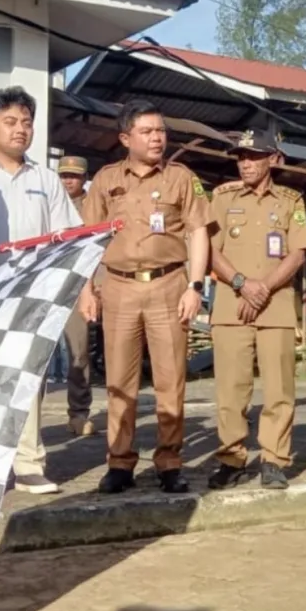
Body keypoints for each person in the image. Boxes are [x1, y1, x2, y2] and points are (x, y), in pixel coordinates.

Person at [78, 100, 210, 494]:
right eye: (147, 132)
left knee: (171, 380)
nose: (157, 138)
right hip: (118, 287)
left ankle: (169, 462)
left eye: (161, 131)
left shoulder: (181, 178)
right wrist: (86, 288)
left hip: (169, 286)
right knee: (120, 381)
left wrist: (196, 286)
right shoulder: (104, 180)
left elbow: (199, 231)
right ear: (125, 138)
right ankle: (119, 463)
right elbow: (88, 238)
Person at [0, 86, 77, 495]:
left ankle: (29, 463)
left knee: (28, 382)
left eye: (27, 122)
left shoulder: (46, 179)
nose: (21, 130)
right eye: (11, 122)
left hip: (33, 297)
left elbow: (68, 235)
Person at [206, 128, 306, 491]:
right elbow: (209, 249)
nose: (245, 164)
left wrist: (263, 289)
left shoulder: (290, 201)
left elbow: (297, 253)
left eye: (253, 157)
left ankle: (274, 460)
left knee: (279, 389)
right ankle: (231, 457)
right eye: (240, 157)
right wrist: (241, 284)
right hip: (231, 305)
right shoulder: (221, 197)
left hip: (276, 306)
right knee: (231, 389)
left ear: (272, 159)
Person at [56, 155, 96, 436]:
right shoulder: (48, 201)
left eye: (74, 175)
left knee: (78, 354)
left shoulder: (94, 207)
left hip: (80, 286)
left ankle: (79, 413)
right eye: (64, 175)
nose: (68, 180)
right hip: (48, 285)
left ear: (84, 178)